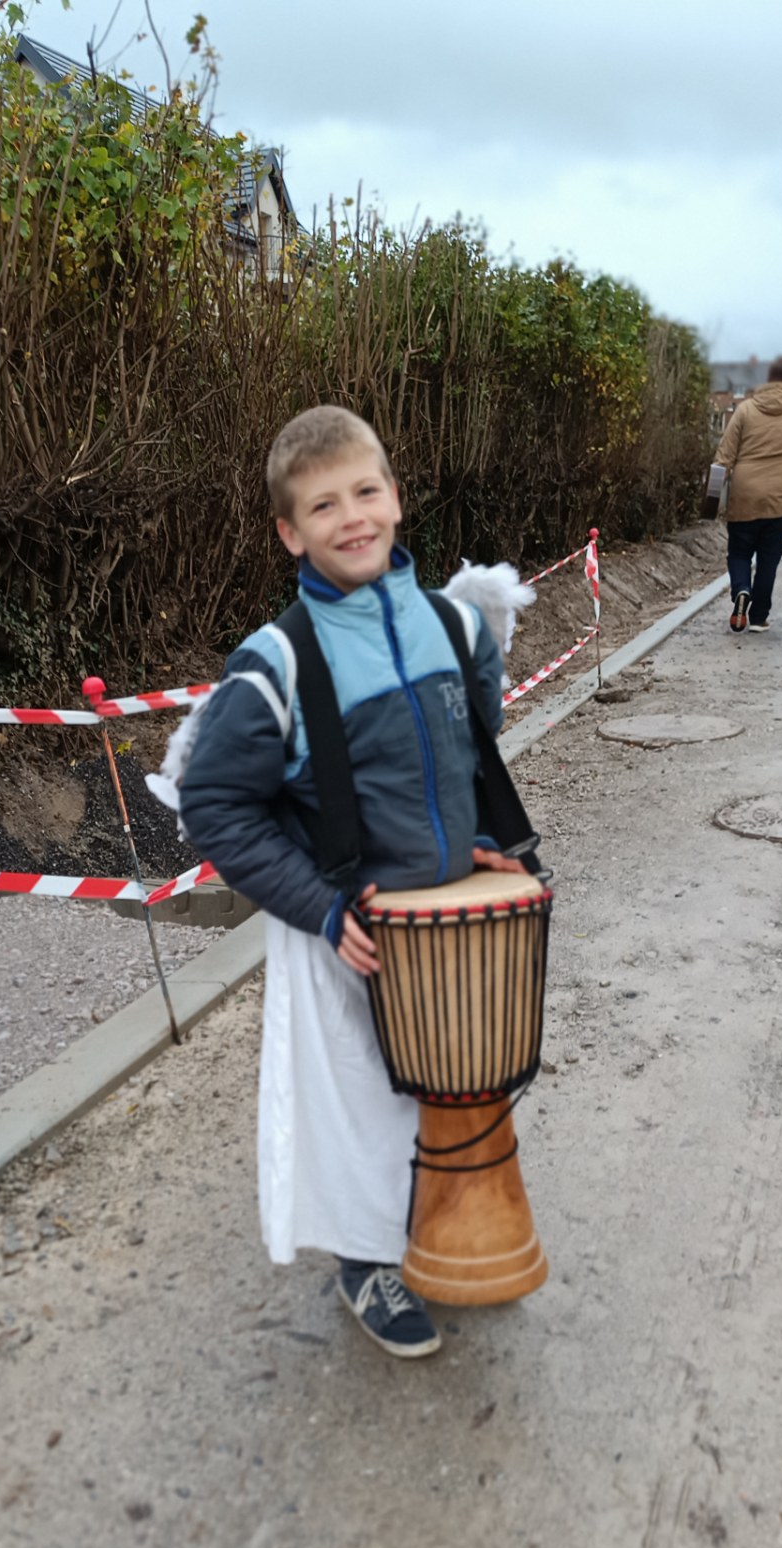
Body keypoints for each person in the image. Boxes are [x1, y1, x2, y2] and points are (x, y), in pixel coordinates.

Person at [174, 405, 527, 1360]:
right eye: (322, 505)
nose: (352, 516)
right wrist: (321, 908)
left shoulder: (457, 625)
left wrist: (491, 843)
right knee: (358, 1110)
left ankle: (440, 1226)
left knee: (441, 1094)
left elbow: (472, 751)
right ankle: (367, 1262)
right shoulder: (277, 664)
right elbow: (214, 803)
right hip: (344, 926)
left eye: (365, 492)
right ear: (291, 533)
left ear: (396, 497)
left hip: (443, 919)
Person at [715, 355, 782, 633]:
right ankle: (759, 616)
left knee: (738, 552)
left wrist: (710, 499)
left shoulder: (746, 409)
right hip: (781, 497)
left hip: (744, 492)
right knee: (768, 560)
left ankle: (741, 590)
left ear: (769, 378)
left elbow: (724, 455)